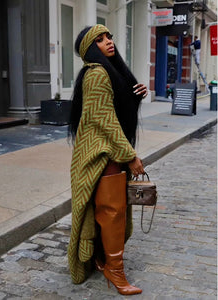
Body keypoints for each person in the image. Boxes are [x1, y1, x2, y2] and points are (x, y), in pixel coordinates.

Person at [67, 24, 147, 295]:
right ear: (91, 49)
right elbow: (105, 121)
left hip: (107, 152)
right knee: (113, 213)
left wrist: (135, 99)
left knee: (107, 210)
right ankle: (115, 270)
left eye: (109, 37)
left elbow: (114, 114)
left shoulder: (108, 73)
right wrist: (131, 156)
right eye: (100, 40)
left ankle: (103, 258)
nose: (108, 42)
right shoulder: (97, 74)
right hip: (103, 155)